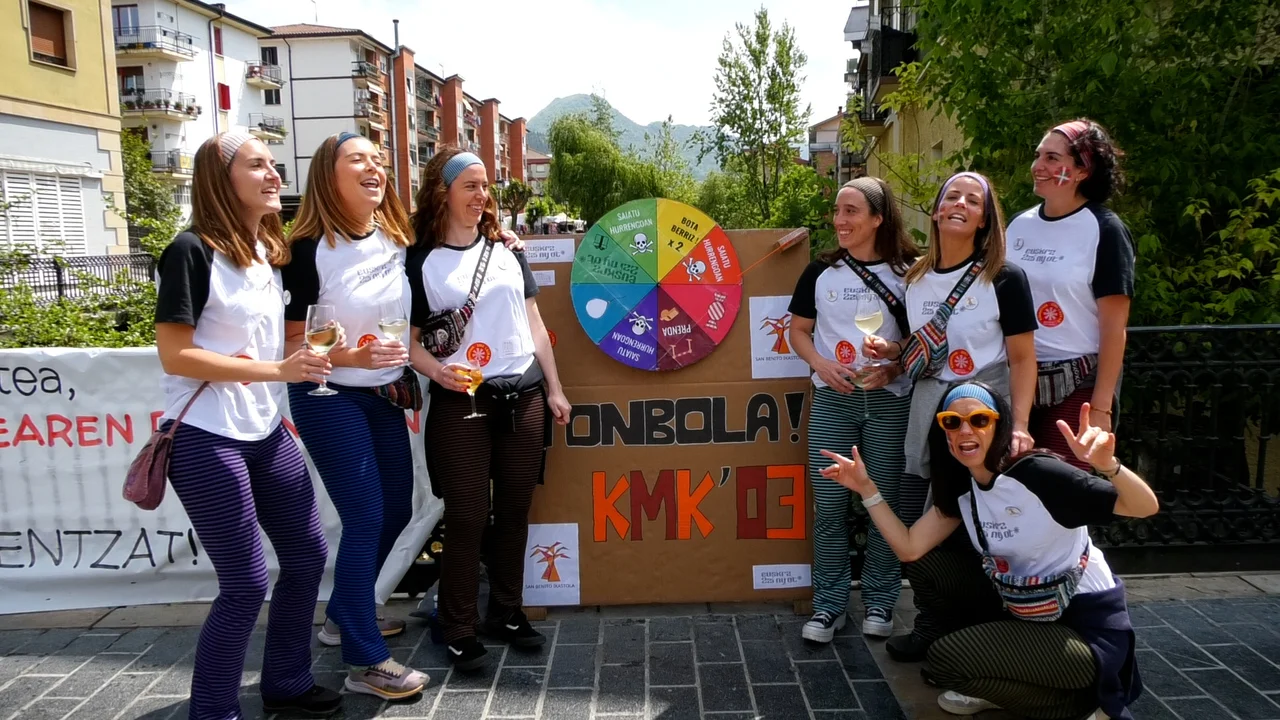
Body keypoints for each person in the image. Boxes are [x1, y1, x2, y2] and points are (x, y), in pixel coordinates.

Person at [820, 381, 1155, 719]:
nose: (965, 430)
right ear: (944, 434)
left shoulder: (1038, 474)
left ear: (999, 426)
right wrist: (866, 489)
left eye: (979, 420)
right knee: (929, 567)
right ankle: (1003, 679)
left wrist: (1109, 466)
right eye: (952, 422)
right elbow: (909, 549)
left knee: (947, 660)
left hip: (1085, 626)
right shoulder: (965, 489)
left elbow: (1144, 506)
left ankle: (1082, 706)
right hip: (1026, 610)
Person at [153, 132, 339, 719]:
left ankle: (286, 682)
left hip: (264, 429)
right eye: (257, 165)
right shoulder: (190, 250)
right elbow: (175, 356)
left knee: (307, 558)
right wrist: (277, 370)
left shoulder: (264, 251)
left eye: (274, 164)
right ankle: (213, 711)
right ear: (221, 178)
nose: (273, 174)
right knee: (245, 583)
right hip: (206, 435)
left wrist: (340, 355)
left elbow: (273, 345)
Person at [407, 149, 572, 671]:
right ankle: (458, 626)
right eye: (470, 186)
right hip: (461, 402)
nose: (481, 196)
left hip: (524, 396)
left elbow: (535, 324)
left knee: (515, 512)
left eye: (485, 187)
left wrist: (554, 388)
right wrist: (437, 373)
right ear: (444, 192)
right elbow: (409, 341)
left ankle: (506, 611)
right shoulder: (419, 260)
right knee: (468, 516)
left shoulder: (506, 250)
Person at [863, 171, 1039, 661]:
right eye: (952, 196)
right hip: (928, 415)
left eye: (973, 200)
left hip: (981, 418)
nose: (961, 203)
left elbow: (1024, 358)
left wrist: (1021, 426)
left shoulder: (1005, 278)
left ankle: (980, 628)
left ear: (984, 219)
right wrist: (893, 355)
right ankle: (931, 622)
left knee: (978, 522)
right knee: (921, 516)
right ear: (937, 210)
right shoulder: (914, 279)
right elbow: (923, 347)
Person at [281, 132, 431, 699]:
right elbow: (292, 345)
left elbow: (458, 235)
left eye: (377, 159)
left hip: (382, 394)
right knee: (366, 517)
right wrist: (352, 357)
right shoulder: (306, 249)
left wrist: (504, 235)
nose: (373, 167)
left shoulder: (397, 237)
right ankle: (365, 660)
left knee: (396, 510)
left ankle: (344, 614)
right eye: (357, 159)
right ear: (329, 174)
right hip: (327, 395)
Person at [787, 177, 919, 642]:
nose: (839, 221)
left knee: (884, 503)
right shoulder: (820, 273)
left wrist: (895, 364)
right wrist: (822, 365)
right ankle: (829, 605)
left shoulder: (911, 274)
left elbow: (925, 339)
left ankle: (881, 601)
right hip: (833, 400)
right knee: (828, 505)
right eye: (837, 211)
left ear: (878, 218)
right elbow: (797, 331)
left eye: (851, 211)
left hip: (890, 401)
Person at [1007, 119, 1135, 469]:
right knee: (1013, 486)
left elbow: (1115, 328)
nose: (1037, 166)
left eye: (1052, 158)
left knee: (1063, 488)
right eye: (1038, 156)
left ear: (1082, 171)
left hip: (1077, 384)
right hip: (1015, 379)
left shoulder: (1105, 229)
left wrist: (1101, 408)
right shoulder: (1018, 226)